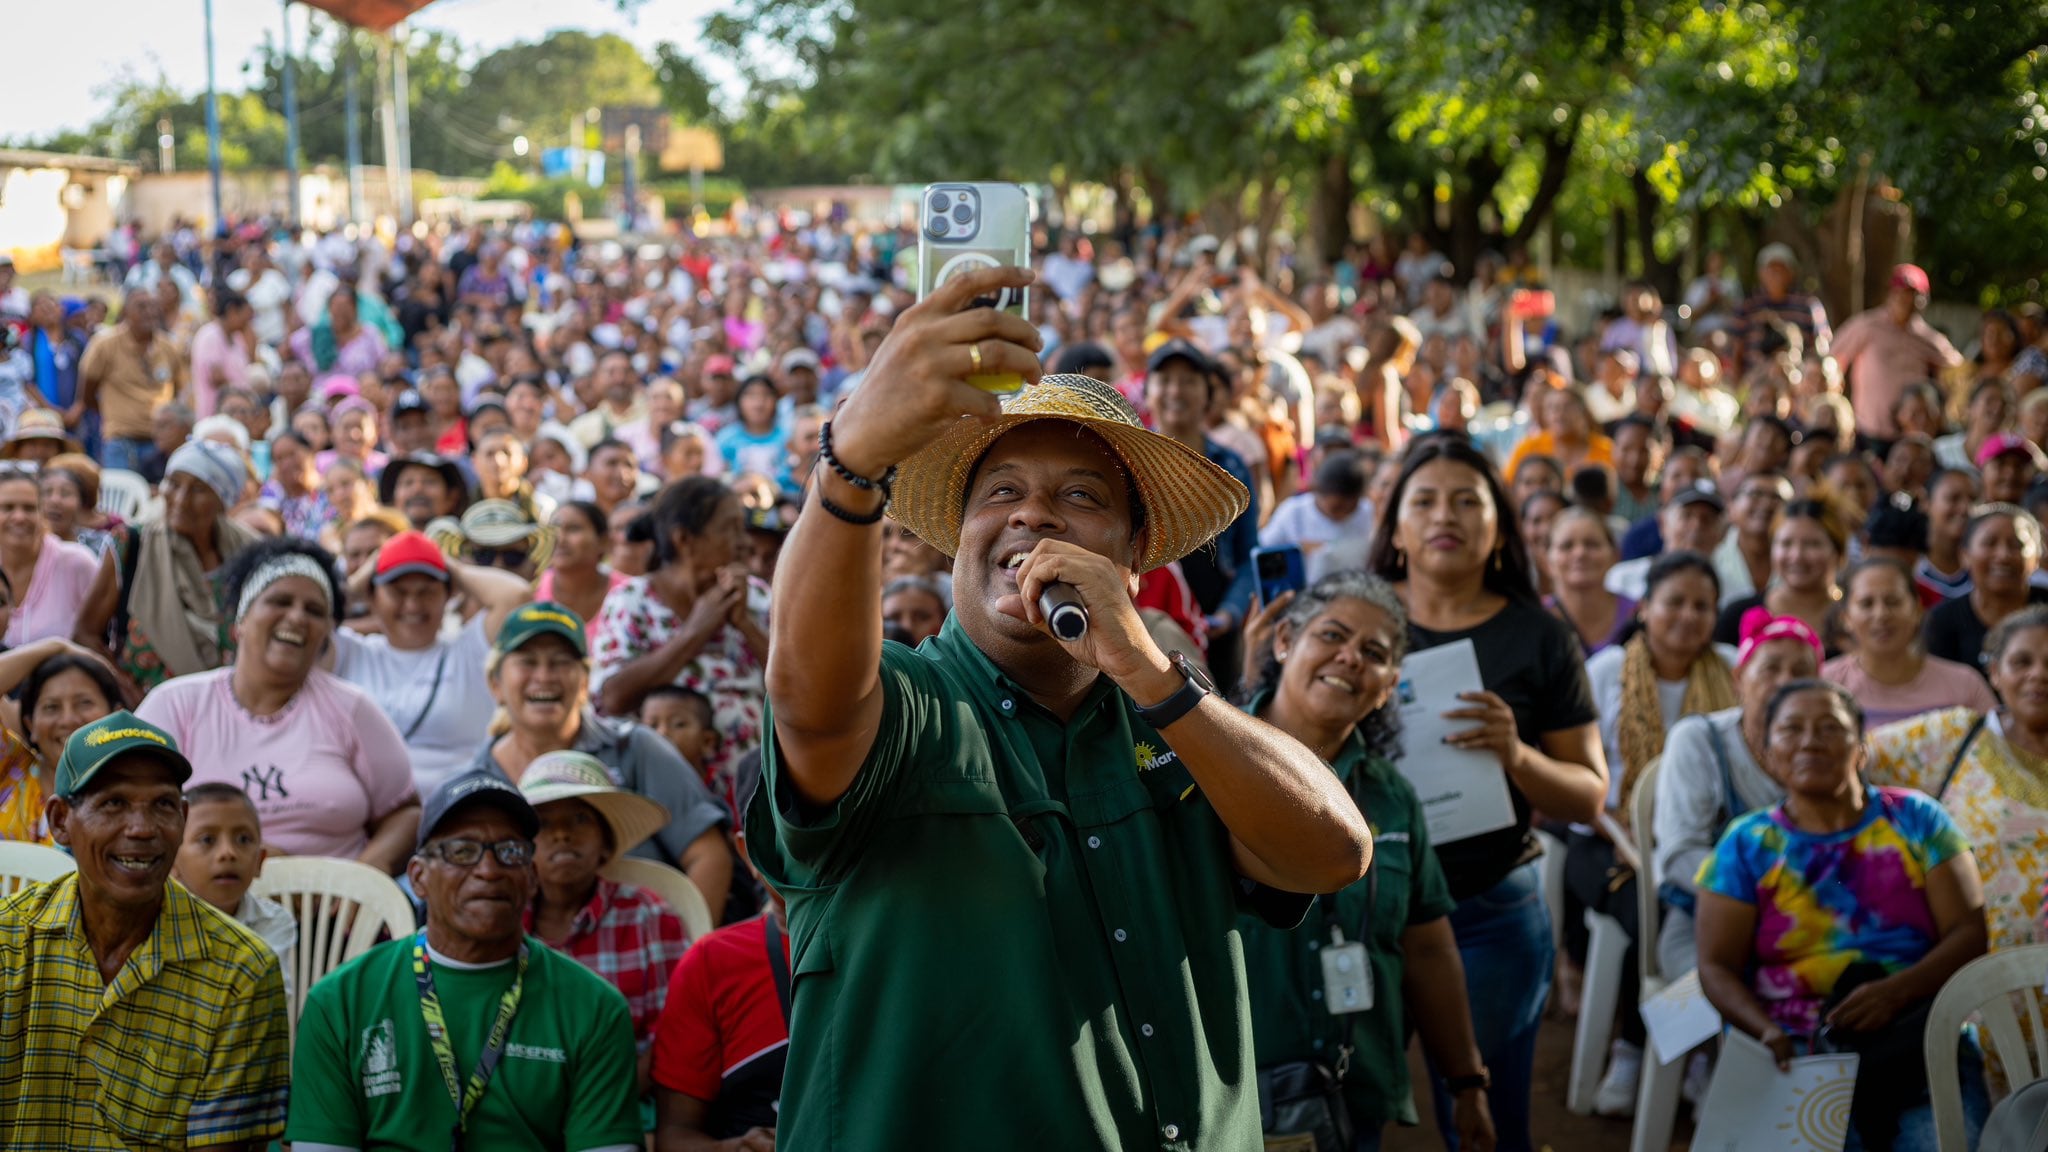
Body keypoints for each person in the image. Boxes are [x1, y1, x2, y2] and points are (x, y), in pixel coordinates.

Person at [752, 264, 1370, 1149]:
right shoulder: (910, 705)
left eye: (1081, 497)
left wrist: (1156, 676)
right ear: (957, 539)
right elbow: (809, 704)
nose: (1033, 515)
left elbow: (1334, 852)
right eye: (1000, 492)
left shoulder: (1178, 720)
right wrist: (850, 466)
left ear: (1133, 563)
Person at [1365, 433, 1606, 1152]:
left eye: (1469, 501)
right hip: (1361, 907)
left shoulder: (1540, 637)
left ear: (1499, 527)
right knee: (1342, 1113)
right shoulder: (1354, 622)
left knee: (1486, 1123)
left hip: (1489, 911)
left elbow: (1588, 798)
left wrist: (1517, 755)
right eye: (1428, 500)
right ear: (1398, 527)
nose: (1449, 515)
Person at [1237, 572, 1497, 1151]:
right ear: (1284, 641)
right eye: (1332, 635)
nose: (1350, 658)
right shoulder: (1207, 765)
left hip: (1351, 1093)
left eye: (1374, 654)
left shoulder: (1393, 798)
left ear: (1389, 686)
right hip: (1227, 1095)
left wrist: (1466, 1081)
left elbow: (1430, 948)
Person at [1696, 679, 1988, 1151]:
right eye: (1791, 729)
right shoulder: (1746, 844)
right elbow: (1714, 966)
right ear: (1767, 753)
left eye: (1830, 727)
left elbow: (1970, 933)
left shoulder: (1918, 819)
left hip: (1920, 1038)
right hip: (1795, 1053)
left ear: (1861, 748)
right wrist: (1766, 1031)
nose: (1810, 741)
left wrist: (1896, 992)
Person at [284, 769, 643, 1151]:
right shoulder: (340, 1001)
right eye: (461, 851)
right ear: (419, 877)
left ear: (531, 877)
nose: (489, 871)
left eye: (510, 851)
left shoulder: (594, 1008)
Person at [0, 711, 290, 1147]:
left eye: (162, 805)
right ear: (60, 821)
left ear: (183, 818)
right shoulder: (8, 942)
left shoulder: (241, 972)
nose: (142, 828)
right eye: (113, 803)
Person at [136, 537, 421, 871]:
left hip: (330, 918)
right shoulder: (175, 705)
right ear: (240, 620)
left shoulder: (353, 709)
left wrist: (361, 883)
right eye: (280, 601)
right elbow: (136, 811)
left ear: (325, 636)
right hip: (200, 914)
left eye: (314, 611)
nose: (297, 617)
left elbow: (405, 812)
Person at [1575, 550, 1736, 1113]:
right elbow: (1584, 777)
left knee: (1701, 904)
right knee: (1653, 911)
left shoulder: (1733, 669)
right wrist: (1630, 840)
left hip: (1700, 839)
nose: (1687, 616)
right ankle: (1634, 1047)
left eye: (1701, 605)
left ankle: (1699, 1055)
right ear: (1645, 608)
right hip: (1604, 836)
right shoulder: (1605, 671)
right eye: (1674, 602)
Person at [475, 602, 734, 916]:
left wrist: (687, 954)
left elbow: (708, 855)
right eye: (528, 662)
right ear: (495, 685)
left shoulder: (635, 748)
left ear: (584, 683)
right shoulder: (479, 778)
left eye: (560, 662)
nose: (544, 676)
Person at [517, 750, 690, 1092]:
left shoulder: (648, 917)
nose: (562, 834)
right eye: (544, 823)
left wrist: (603, 1106)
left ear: (606, 841)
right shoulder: (506, 921)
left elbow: (672, 1037)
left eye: (580, 819)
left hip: (627, 1097)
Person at [592, 477, 770, 798]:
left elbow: (796, 690)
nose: (744, 542)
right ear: (684, 539)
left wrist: (744, 623)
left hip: (754, 792)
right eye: (730, 529)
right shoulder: (633, 600)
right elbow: (611, 699)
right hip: (666, 797)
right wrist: (694, 633)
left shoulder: (757, 598)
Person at [329, 530, 532, 796]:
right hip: (366, 819)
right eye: (398, 592)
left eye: (427, 592)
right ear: (372, 598)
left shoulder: (469, 651)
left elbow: (517, 596)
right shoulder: (349, 652)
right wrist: (365, 576)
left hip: (456, 814)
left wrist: (446, 564)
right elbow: (317, 611)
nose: (412, 605)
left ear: (448, 596)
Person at [83, 439, 256, 691]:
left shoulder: (248, 552)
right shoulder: (133, 544)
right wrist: (127, 693)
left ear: (223, 501)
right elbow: (85, 634)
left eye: (198, 489)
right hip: (147, 714)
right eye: (173, 484)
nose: (180, 499)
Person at [1147, 338, 1261, 693]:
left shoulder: (1230, 466)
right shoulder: (1130, 464)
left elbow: (1247, 556)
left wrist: (1229, 612)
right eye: (1165, 380)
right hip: (1150, 622)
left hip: (1218, 628)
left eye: (1189, 380)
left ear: (1207, 394)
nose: (1175, 391)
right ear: (1148, 390)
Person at [1824, 559, 1997, 728]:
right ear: (1845, 617)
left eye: (1893, 601)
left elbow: (1997, 754)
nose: (1881, 614)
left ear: (1917, 609)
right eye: (1866, 604)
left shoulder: (1965, 686)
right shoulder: (1827, 685)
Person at [172, 781, 300, 1001]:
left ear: (260, 861)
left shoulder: (273, 922)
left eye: (243, 839)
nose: (228, 853)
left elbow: (269, 1001)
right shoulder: (160, 921)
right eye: (207, 840)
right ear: (173, 862)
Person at [1830, 265, 1963, 447]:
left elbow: (1959, 370)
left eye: (1911, 294)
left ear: (1923, 299)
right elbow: (1832, 361)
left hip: (1911, 437)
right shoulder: (1867, 326)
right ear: (1890, 294)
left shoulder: (1926, 337)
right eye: (1899, 292)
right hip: (1869, 432)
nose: (1904, 299)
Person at [1923, 503, 2048, 671]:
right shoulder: (1941, 622)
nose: (2003, 556)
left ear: (2037, 557)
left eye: (2016, 545)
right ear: (1965, 555)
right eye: (1990, 543)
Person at [1714, 497, 1848, 652]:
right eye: (1786, 543)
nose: (1797, 556)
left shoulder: (1857, 618)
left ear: (1838, 553)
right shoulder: (1737, 615)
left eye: (1812, 544)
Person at [75, 288, 184, 475]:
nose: (149, 312)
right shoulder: (105, 345)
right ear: (125, 311)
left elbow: (178, 391)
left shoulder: (168, 347)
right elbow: (87, 394)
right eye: (141, 307)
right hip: (120, 442)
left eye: (153, 306)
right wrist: (116, 415)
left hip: (159, 443)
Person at [0, 466, 98, 646]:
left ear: (42, 513)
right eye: (7, 507)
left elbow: (102, 637)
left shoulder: (77, 563)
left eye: (29, 508)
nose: (20, 517)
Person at [1259, 450, 1375, 578]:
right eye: (1336, 508)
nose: (1343, 514)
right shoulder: (1293, 512)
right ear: (1317, 493)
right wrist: (1296, 550)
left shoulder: (1368, 512)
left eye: (1351, 509)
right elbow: (1263, 551)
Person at [1606, 481, 1727, 600]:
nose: (1697, 526)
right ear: (1663, 523)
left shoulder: (1735, 589)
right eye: (1686, 515)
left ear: (1722, 533)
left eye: (1707, 519)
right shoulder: (1623, 580)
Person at [1544, 506, 1631, 654]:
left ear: (1615, 555)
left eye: (1592, 544)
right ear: (1547, 561)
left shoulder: (1639, 615)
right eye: (1567, 546)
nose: (1580, 553)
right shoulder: (1533, 619)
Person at [536, 501, 629, 633]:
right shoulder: (531, 590)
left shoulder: (629, 593)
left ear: (603, 541)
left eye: (573, 529)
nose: (560, 539)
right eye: (553, 530)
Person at [639, 686, 718, 776]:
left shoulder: (721, 788)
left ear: (707, 741)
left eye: (678, 724)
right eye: (653, 726)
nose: (662, 733)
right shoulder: (633, 784)